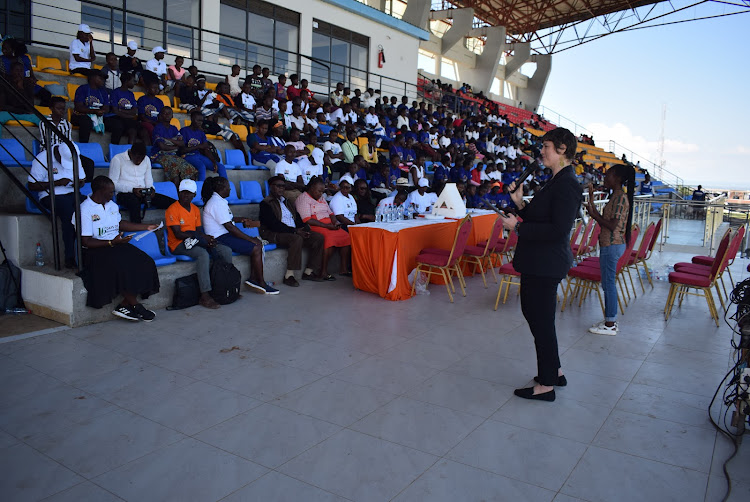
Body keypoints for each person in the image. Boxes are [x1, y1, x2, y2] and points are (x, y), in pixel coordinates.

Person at [499, 127, 583, 402]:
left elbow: (558, 230)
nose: (542, 151)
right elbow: (542, 219)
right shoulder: (556, 180)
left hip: (546, 264)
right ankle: (554, 371)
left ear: (562, 149)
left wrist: (518, 229)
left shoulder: (568, 183)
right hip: (540, 262)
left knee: (540, 321)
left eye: (546, 146)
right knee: (540, 320)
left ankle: (546, 384)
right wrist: (520, 204)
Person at [76, 175, 160, 320]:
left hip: (115, 245)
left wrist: (146, 227)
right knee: (122, 268)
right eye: (110, 192)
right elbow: (86, 241)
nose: (113, 194)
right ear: (100, 192)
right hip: (95, 250)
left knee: (145, 261)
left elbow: (120, 224)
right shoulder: (85, 209)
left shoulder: (112, 205)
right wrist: (111, 243)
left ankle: (124, 305)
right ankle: (135, 305)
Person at [201, 176, 279, 294]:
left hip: (224, 235)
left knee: (257, 244)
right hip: (219, 238)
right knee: (256, 246)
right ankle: (261, 282)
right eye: (228, 187)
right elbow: (230, 227)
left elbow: (227, 220)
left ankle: (254, 279)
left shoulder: (218, 200)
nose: (230, 190)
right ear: (221, 188)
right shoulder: (216, 202)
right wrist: (249, 239)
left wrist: (240, 219)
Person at [585, 163, 635, 335]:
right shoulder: (616, 196)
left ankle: (610, 324)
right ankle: (609, 319)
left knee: (608, 285)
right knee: (608, 284)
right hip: (609, 244)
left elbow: (613, 225)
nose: (605, 178)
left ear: (618, 178)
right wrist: (594, 210)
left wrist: (595, 216)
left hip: (612, 245)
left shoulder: (620, 197)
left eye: (608, 175)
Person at [166, 179, 231, 309]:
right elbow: (178, 234)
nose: (186, 196)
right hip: (178, 244)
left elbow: (199, 231)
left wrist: (206, 239)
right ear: (179, 193)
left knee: (225, 250)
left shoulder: (195, 209)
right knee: (203, 254)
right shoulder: (172, 209)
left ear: (194, 195)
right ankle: (205, 295)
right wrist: (199, 238)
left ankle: (225, 288)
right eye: (183, 193)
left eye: (189, 193)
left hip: (194, 240)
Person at [259, 175, 326, 286]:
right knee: (297, 238)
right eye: (278, 186)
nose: (281, 189)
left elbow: (297, 218)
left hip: (292, 231)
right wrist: (295, 231)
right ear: (271, 187)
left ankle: (308, 272)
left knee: (318, 237)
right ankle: (289, 275)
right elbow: (273, 224)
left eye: (283, 186)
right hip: (274, 233)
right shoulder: (266, 203)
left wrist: (304, 229)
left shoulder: (287, 202)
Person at [28, 143, 87, 268]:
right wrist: (57, 183)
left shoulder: (74, 156)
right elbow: (32, 185)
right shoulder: (42, 158)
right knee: (70, 215)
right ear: (58, 154)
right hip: (50, 195)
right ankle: (70, 257)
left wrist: (79, 182)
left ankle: (88, 253)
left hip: (72, 192)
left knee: (89, 207)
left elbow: (82, 178)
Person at [295, 178, 352, 279]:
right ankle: (323, 271)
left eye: (322, 191)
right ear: (312, 188)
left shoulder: (321, 198)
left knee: (346, 237)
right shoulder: (303, 198)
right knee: (328, 238)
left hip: (329, 224)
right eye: (319, 191)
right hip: (315, 226)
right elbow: (307, 220)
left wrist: (335, 222)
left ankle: (343, 269)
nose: (321, 194)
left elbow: (331, 213)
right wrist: (327, 226)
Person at [110, 142, 175, 223]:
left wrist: (151, 189)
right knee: (134, 202)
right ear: (131, 154)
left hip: (143, 193)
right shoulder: (117, 159)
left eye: (142, 159)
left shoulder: (146, 159)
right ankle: (137, 228)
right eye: (137, 158)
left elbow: (148, 179)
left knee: (169, 202)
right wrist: (132, 189)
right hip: (124, 194)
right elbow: (112, 184)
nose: (139, 161)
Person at [38, 96, 95, 181]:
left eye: (63, 109)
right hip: (49, 151)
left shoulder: (67, 124)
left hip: (64, 151)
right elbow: (45, 141)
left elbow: (69, 141)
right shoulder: (44, 123)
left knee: (89, 163)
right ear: (51, 108)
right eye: (58, 108)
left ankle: (84, 185)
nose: (62, 111)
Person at [150, 107, 198, 184]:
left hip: (173, 155)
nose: (167, 115)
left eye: (169, 113)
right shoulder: (158, 128)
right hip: (159, 155)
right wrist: (176, 145)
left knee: (191, 170)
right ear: (161, 115)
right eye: (164, 113)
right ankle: (175, 194)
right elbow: (162, 147)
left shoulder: (174, 128)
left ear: (172, 116)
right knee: (175, 174)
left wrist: (170, 140)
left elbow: (182, 143)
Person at [180, 111, 228, 180]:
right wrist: (199, 146)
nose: (200, 123)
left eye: (202, 121)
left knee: (221, 167)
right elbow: (182, 150)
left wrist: (213, 162)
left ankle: (225, 187)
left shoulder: (201, 133)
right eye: (198, 120)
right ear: (192, 119)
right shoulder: (184, 131)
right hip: (188, 156)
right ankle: (201, 189)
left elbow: (206, 149)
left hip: (199, 155)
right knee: (201, 167)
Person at [71, 70, 110, 143]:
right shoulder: (82, 89)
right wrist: (94, 111)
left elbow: (106, 107)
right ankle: (84, 146)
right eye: (100, 78)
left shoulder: (103, 91)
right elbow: (78, 107)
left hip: (98, 116)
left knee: (116, 124)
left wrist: (102, 111)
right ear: (93, 78)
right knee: (86, 121)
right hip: (81, 115)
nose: (103, 81)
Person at [107, 71, 141, 145]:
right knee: (118, 126)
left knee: (134, 129)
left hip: (126, 118)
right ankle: (114, 147)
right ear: (126, 81)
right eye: (132, 81)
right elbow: (115, 111)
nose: (134, 83)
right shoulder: (115, 92)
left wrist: (121, 110)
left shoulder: (130, 94)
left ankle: (130, 149)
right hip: (115, 118)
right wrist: (129, 115)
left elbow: (134, 111)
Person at [0, 61, 38, 125]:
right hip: (8, 113)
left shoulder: (28, 84)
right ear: (11, 71)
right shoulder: (4, 84)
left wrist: (21, 89)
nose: (19, 73)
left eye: (21, 71)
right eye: (17, 70)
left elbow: (31, 106)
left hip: (25, 114)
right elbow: (3, 106)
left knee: (44, 120)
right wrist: (21, 110)